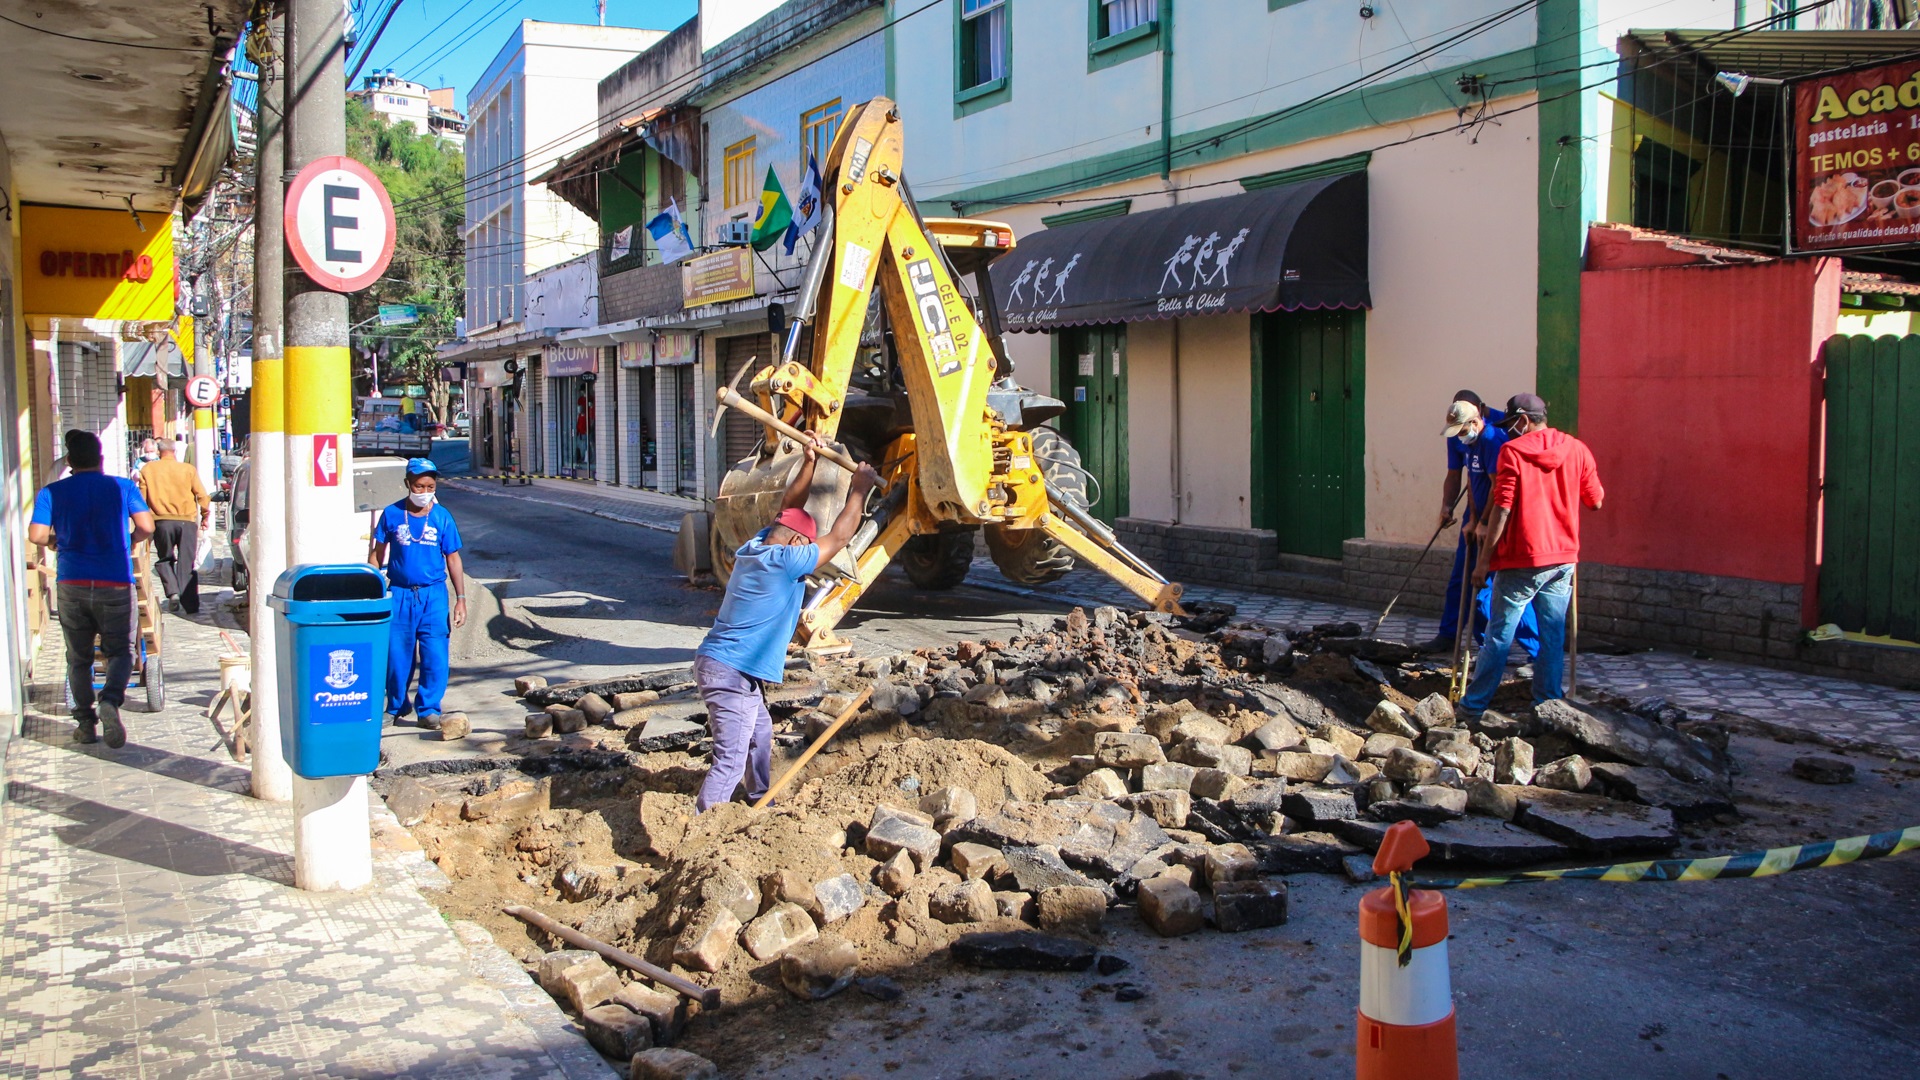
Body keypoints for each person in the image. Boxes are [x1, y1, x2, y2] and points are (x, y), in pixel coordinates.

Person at [694, 435, 880, 811]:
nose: (810, 553)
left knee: (759, 734)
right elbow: (842, 535)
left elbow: (788, 506)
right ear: (797, 543)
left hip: (730, 668)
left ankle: (762, 801)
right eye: (808, 545)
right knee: (729, 759)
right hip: (730, 673)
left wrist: (809, 461)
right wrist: (860, 488)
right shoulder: (785, 561)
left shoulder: (758, 547)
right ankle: (703, 826)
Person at [1458, 393, 1604, 720]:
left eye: (1511, 424)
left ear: (1523, 420)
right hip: (1563, 558)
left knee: (1499, 636)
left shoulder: (1513, 452)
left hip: (1521, 558)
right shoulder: (1576, 448)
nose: (1509, 431)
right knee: (1552, 635)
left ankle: (1473, 706)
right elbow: (1595, 501)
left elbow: (1503, 507)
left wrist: (1484, 562)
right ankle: (1548, 706)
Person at [28, 430, 156, 748]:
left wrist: (59, 542)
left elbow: (36, 535)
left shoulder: (51, 492)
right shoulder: (123, 487)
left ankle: (85, 724)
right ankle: (110, 700)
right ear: (100, 459)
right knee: (121, 651)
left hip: (71, 583)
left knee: (78, 658)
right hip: (114, 581)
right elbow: (146, 526)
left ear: (69, 461)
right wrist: (127, 541)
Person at [1427, 396, 1541, 661]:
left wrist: (1486, 523)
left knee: (1496, 590)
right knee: (1468, 582)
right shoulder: (1465, 440)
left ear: (1477, 420)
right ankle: (1482, 646)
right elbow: (1470, 482)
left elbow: (1496, 487)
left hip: (1499, 520)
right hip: (1479, 517)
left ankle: (1536, 652)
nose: (1460, 437)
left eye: (1463, 431)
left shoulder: (1493, 440)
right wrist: (1471, 519)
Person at [368, 458, 468, 729]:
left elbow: (453, 559)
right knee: (397, 656)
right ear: (408, 485)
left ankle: (429, 709)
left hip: (433, 595)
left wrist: (460, 599)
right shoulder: (391, 514)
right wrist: (372, 590)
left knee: (435, 655)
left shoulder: (442, 516)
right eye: (419, 486)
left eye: (430, 486)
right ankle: (397, 706)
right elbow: (376, 557)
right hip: (399, 594)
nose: (424, 492)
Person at [135, 438, 211, 615]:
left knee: (164, 559)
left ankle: (173, 592)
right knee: (187, 563)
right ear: (175, 451)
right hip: (187, 522)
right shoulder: (187, 469)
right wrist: (205, 516)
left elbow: (142, 499)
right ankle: (191, 605)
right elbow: (202, 495)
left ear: (158, 451)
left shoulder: (147, 470)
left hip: (161, 522)